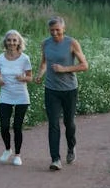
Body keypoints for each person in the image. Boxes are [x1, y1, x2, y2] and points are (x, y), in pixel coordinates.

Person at [34, 16, 88, 171]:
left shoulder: (71, 43)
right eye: (52, 30)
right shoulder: (45, 44)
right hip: (51, 90)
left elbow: (84, 65)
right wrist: (40, 74)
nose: (55, 33)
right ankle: (55, 159)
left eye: (58, 30)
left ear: (63, 29)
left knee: (69, 123)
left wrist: (64, 69)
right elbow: (44, 63)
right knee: (53, 123)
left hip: (69, 89)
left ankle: (71, 147)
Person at [0, 29, 32, 166]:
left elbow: (30, 77)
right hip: (6, 94)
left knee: (17, 126)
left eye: (14, 40)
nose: (11, 43)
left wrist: (23, 78)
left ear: (19, 42)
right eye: (9, 40)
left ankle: (17, 155)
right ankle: (7, 149)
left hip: (21, 95)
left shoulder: (25, 58)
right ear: (5, 42)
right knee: (4, 126)